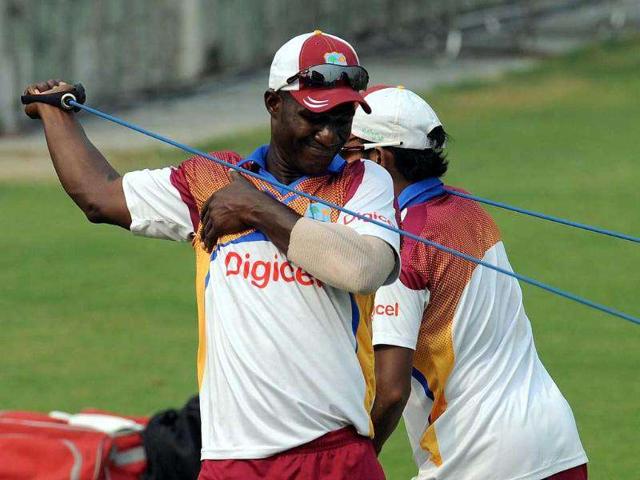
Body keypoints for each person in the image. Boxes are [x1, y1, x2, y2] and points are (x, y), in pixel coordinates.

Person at [22, 32, 401, 480]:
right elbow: (100, 197)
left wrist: (256, 207)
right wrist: (54, 113)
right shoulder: (210, 178)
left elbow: (364, 268)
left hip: (332, 453)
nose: (330, 135)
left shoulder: (362, 183)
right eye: (315, 117)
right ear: (273, 103)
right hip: (232, 459)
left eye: (343, 119)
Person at [341, 85, 588, 480]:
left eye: (349, 154)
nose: (341, 168)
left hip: (479, 458)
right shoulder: (467, 207)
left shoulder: (400, 249)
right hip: (556, 444)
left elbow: (390, 391)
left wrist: (353, 462)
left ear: (379, 159)